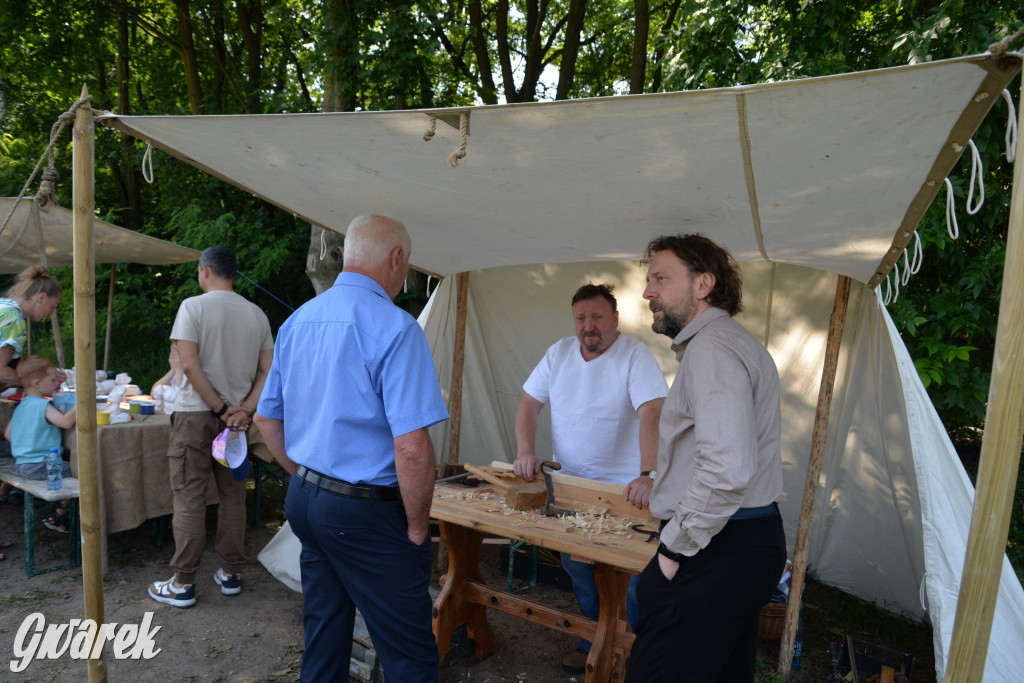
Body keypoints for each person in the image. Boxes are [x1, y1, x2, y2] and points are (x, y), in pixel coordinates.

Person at [254, 213, 449, 682]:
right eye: (406, 266)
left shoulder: (299, 319)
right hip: (366, 511)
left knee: (324, 634)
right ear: (396, 258)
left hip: (307, 500)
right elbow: (413, 449)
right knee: (409, 653)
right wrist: (420, 529)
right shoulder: (397, 328)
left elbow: (266, 418)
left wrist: (308, 477)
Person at [625, 234, 787, 683]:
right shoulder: (727, 343)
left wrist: (674, 550)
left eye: (661, 278)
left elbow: (727, 467)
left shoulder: (713, 349)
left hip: (718, 545)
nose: (647, 292)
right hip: (740, 539)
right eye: (648, 279)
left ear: (703, 285)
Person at [512, 282, 667, 674]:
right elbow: (529, 404)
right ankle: (593, 640)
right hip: (569, 492)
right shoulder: (559, 353)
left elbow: (652, 412)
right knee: (579, 569)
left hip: (625, 496)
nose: (588, 326)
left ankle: (629, 653)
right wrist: (525, 452)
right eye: (581, 318)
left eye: (597, 317)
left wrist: (647, 473)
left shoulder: (635, 355)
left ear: (614, 319)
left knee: (630, 580)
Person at [147, 246, 274, 609]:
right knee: (233, 496)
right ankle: (231, 574)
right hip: (236, 422)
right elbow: (269, 371)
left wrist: (219, 407)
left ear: (205, 271)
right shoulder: (256, 313)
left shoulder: (193, 307)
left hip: (194, 414)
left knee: (189, 497)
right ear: (233, 272)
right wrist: (243, 410)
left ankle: (183, 583)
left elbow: (186, 364)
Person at [0, 265, 63, 506]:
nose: (51, 313)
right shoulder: (13, 317)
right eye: (52, 307)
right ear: (40, 298)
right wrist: (36, 385)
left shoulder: (3, 306)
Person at [3, 356, 76, 533]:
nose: (54, 384)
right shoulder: (43, 404)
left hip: (23, 465)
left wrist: (28, 441)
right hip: (42, 466)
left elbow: (7, 434)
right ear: (37, 383)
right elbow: (66, 422)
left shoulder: (22, 404)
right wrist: (83, 401)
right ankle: (59, 515)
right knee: (85, 471)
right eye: (52, 381)